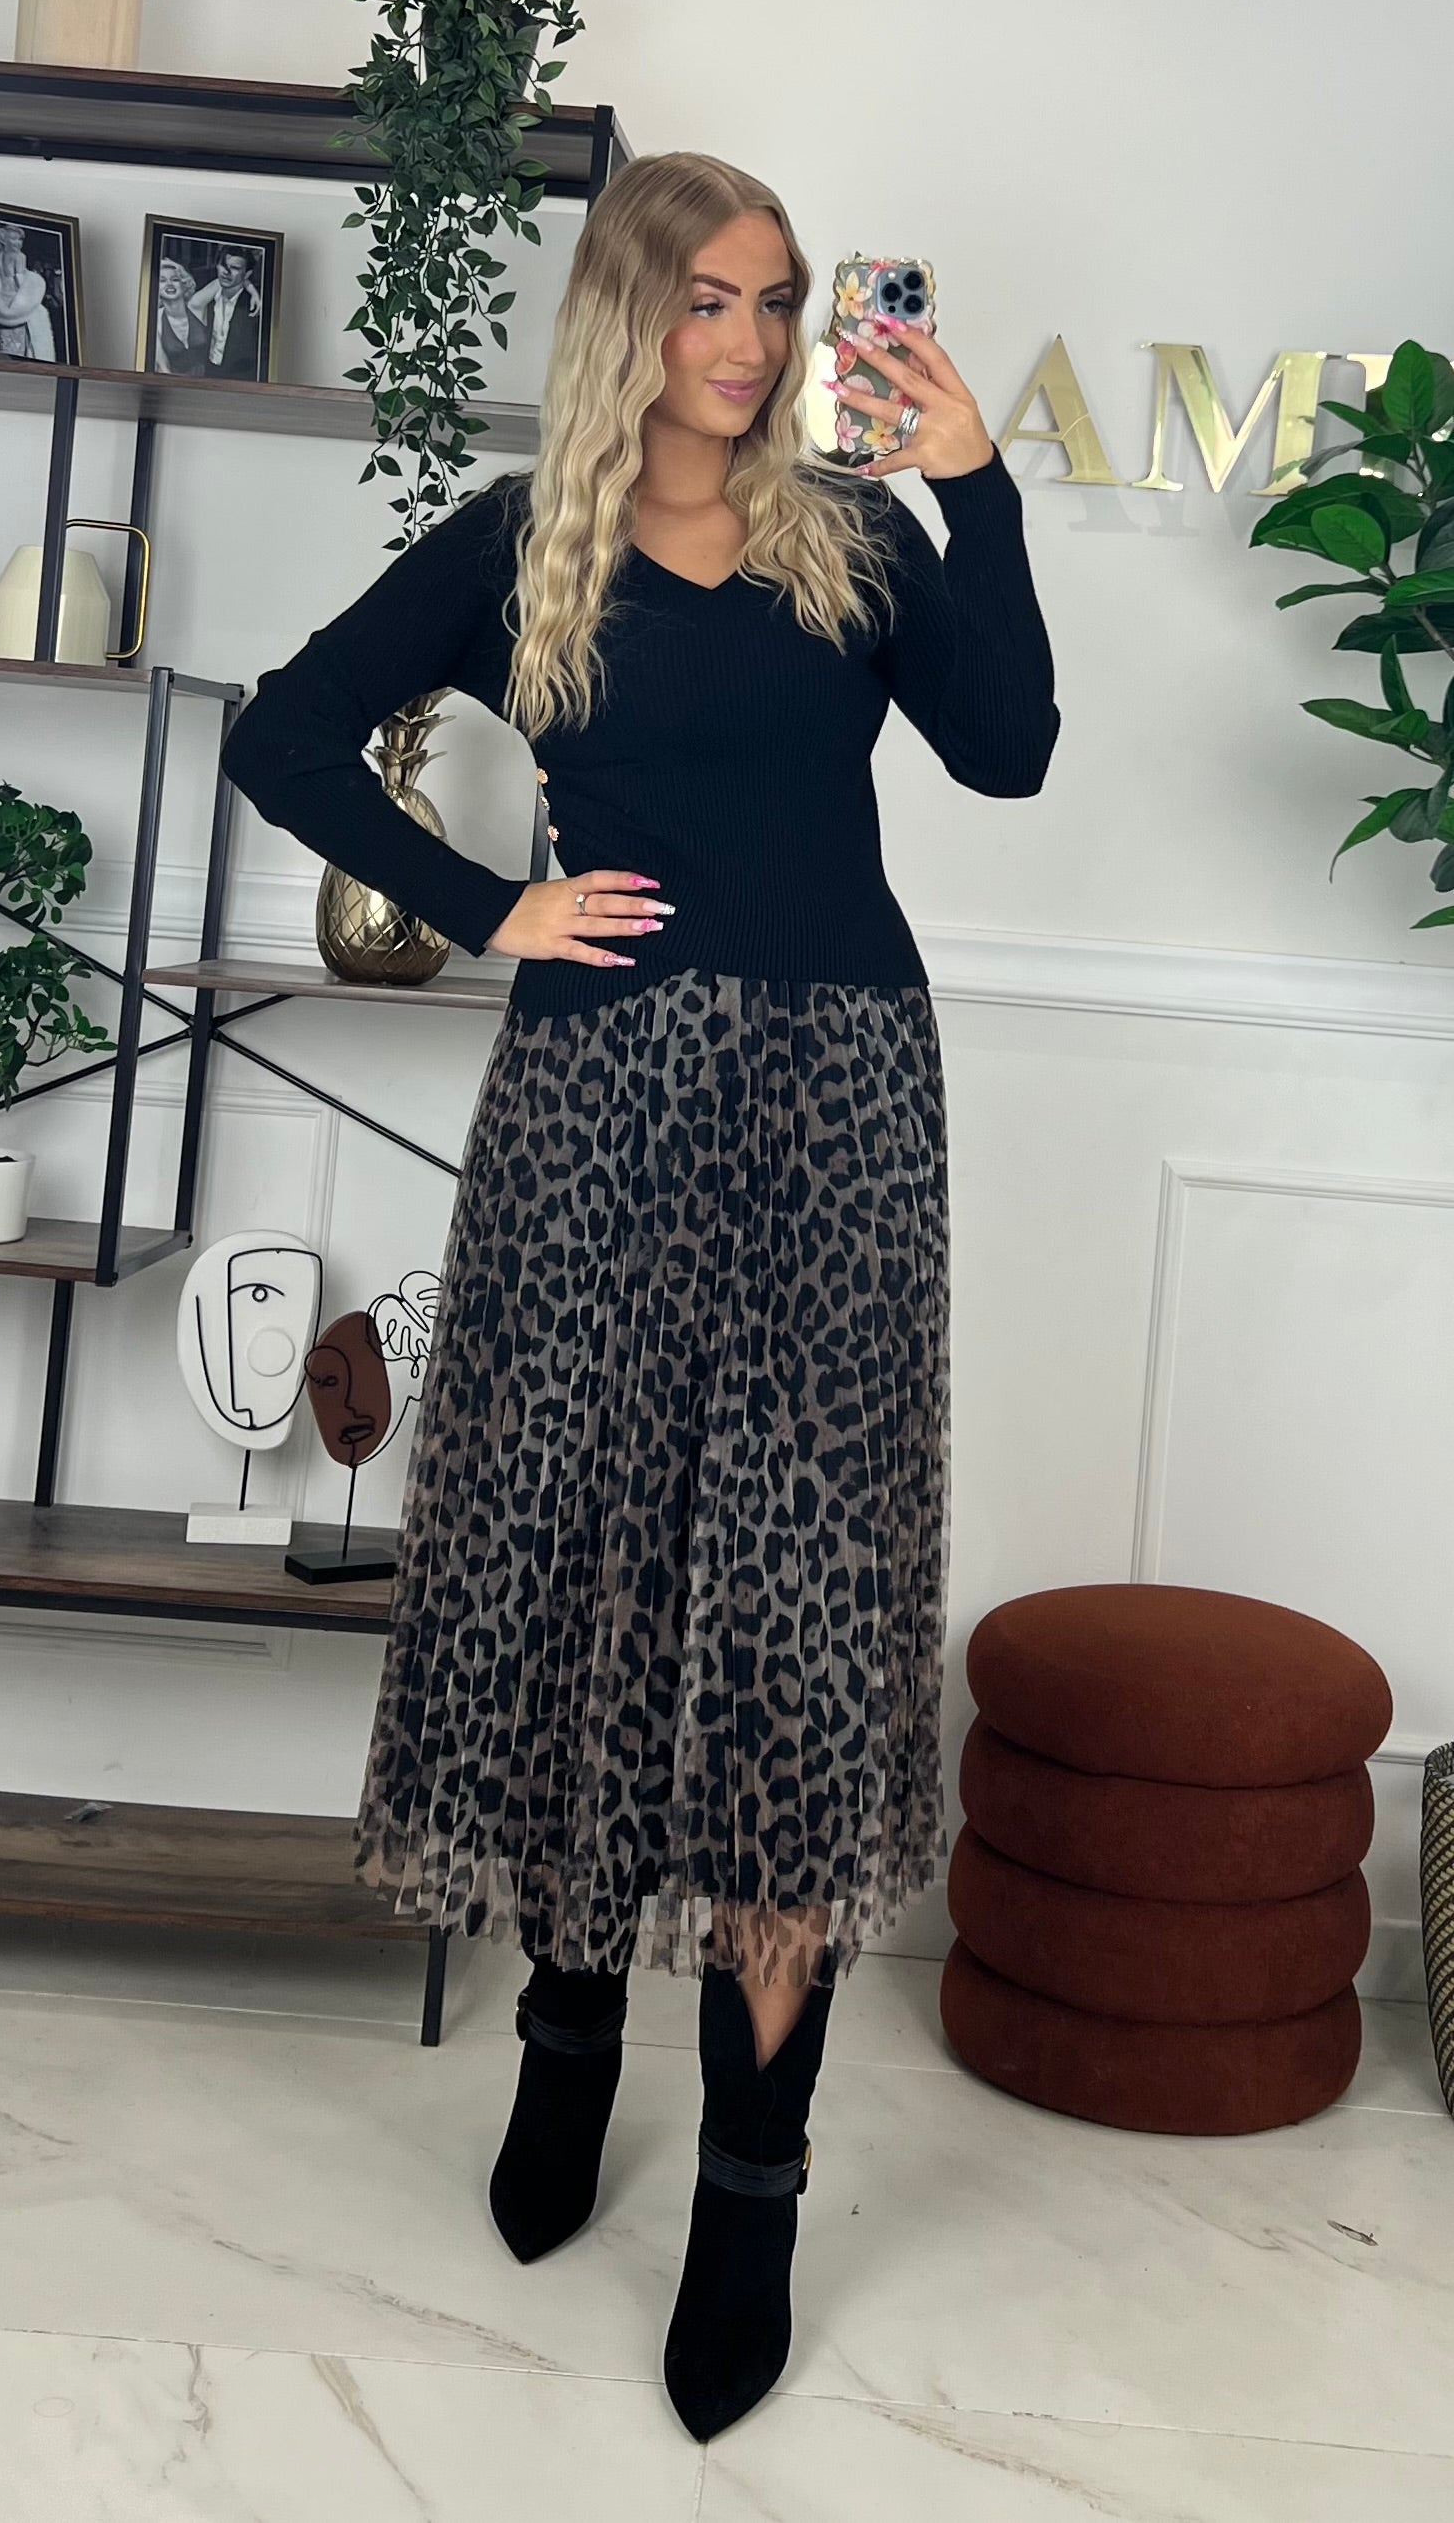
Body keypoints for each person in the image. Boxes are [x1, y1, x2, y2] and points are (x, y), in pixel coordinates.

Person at [220, 149, 1059, 2443]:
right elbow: (279, 733)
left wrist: (976, 485)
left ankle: (755, 2183)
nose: (750, 341)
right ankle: (569, 2038)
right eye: (708, 298)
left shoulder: (852, 536)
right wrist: (487, 903)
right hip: (595, 1108)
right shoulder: (519, 546)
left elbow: (1006, 751)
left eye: (775, 301)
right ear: (625, 311)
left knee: (794, 1627)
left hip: (843, 1109)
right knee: (586, 1576)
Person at [0, 219, 59, 360]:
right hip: (10, 294)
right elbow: (18, 276)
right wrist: (25, 285)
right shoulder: (17, 257)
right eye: (15, 239)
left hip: (4, 295)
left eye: (20, 240)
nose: (18, 243)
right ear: (3, 240)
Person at [190, 246, 263, 378]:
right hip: (207, 374)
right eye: (223, 265)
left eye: (235, 268)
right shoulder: (208, 298)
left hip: (239, 380)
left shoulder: (253, 307)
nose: (226, 272)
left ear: (247, 274)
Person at [150, 256, 213, 377]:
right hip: (174, 383)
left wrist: (179, 268)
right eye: (162, 280)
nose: (169, 284)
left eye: (175, 279)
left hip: (208, 382)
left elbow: (220, 282)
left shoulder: (196, 305)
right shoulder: (156, 319)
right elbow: (163, 367)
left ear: (184, 284)